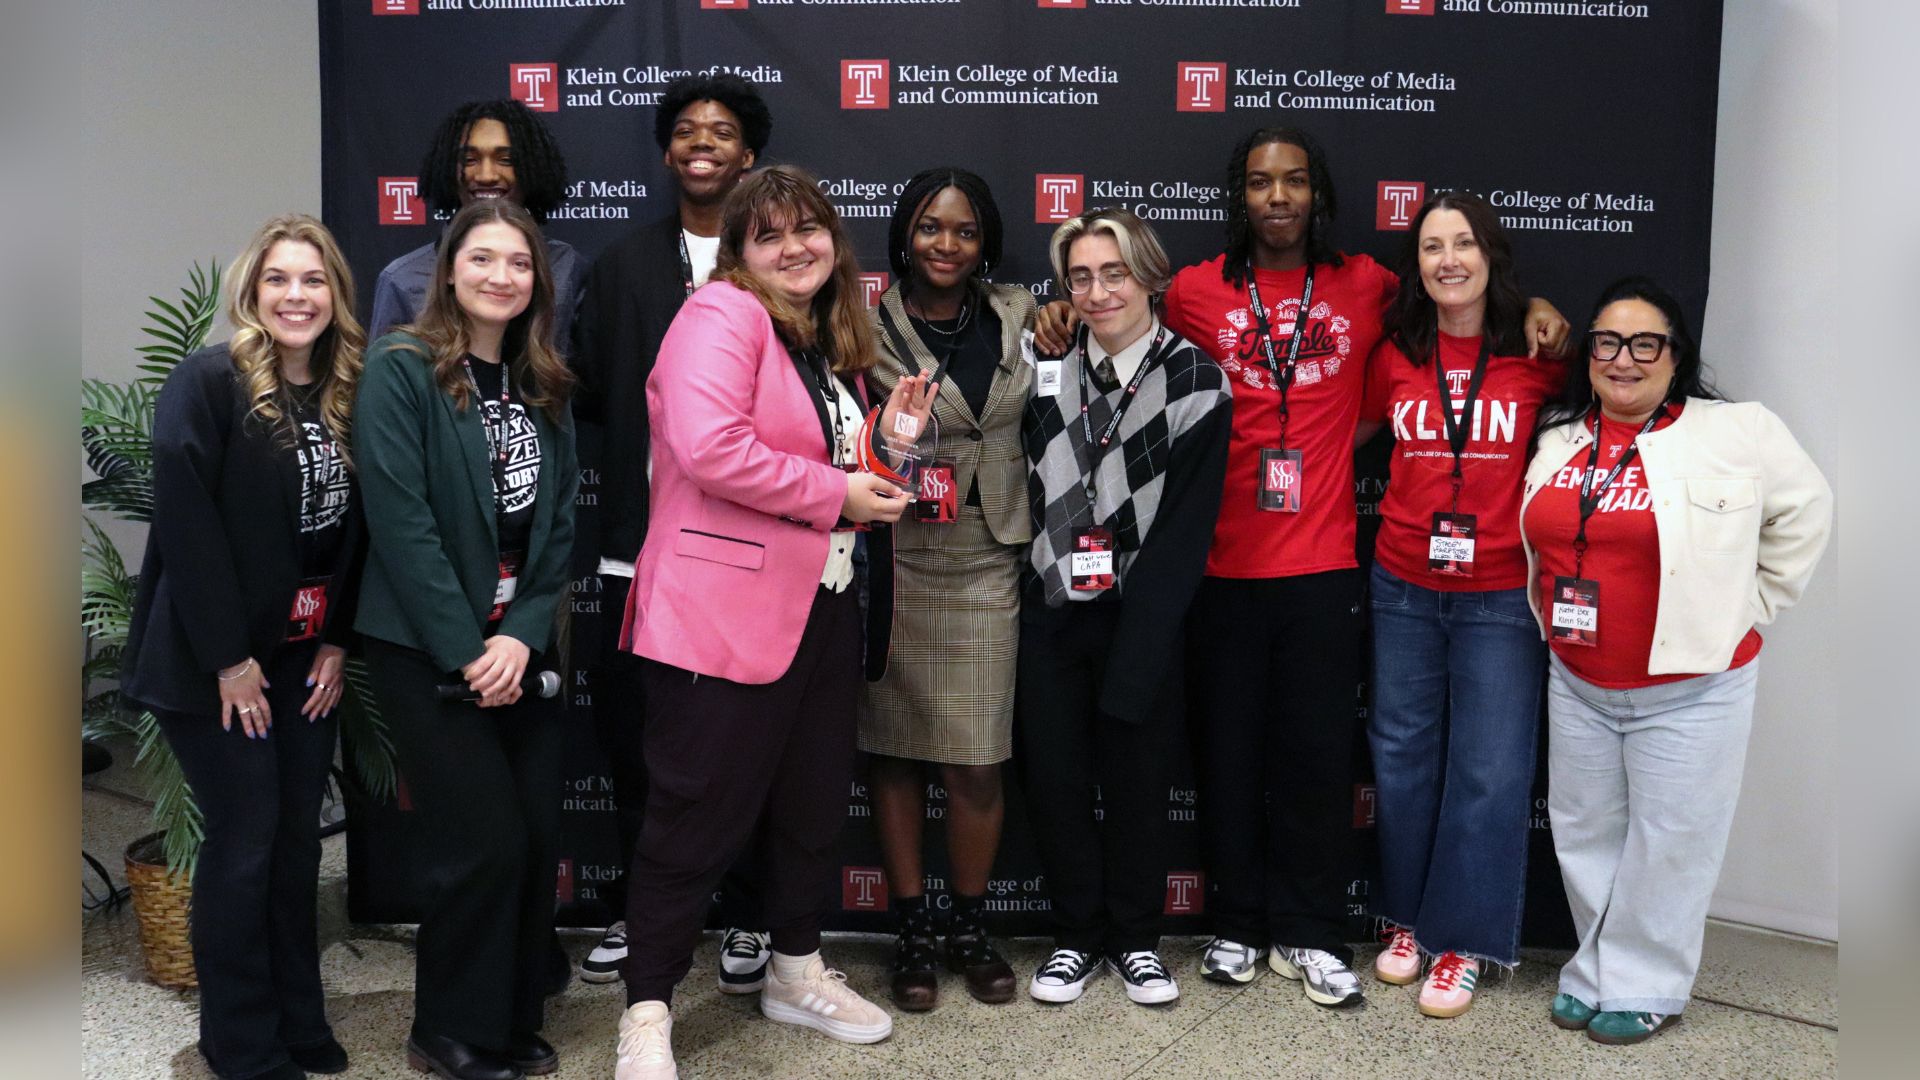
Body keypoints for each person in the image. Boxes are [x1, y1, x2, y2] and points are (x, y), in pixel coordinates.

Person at [1035, 127, 1565, 1006]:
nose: (1276, 197)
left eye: (1292, 181)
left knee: (1320, 762)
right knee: (1228, 760)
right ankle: (1239, 926)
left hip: (1323, 564)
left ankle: (1311, 932)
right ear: (1238, 198)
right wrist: (1057, 310)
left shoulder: (1371, 284)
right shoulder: (1197, 290)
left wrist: (1541, 307)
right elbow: (1111, 330)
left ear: (1317, 192)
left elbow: (1460, 300)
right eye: (1257, 182)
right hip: (1214, 570)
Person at [610, 166, 932, 1079]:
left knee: (809, 808)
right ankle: (646, 1008)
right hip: (717, 617)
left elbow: (817, 460)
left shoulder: (825, 338)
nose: (796, 248)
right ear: (740, 252)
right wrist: (844, 491)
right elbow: (712, 449)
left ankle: (794, 972)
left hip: (821, 608)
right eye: (769, 235)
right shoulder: (719, 317)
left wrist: (887, 443)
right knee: (690, 823)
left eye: (810, 230)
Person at [1520, 276, 1830, 1045]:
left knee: (1672, 845)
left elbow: (1808, 510)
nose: (1623, 360)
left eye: (1644, 343)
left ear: (1674, 354)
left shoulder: (1737, 431)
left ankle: (1648, 986)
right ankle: (1593, 975)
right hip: (1580, 679)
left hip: (1691, 691)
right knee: (1585, 835)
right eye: (1607, 342)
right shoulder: (1561, 435)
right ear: (1588, 351)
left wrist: (1748, 612)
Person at [120, 213, 366, 1080]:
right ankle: (241, 1043)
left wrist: (337, 638)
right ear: (251, 293)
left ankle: (299, 1022)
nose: (297, 296)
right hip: (213, 664)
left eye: (314, 280)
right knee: (248, 836)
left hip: (303, 660)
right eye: (279, 280)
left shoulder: (344, 388)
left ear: (336, 294)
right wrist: (230, 658)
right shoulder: (209, 381)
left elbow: (357, 530)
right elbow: (187, 531)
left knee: (299, 839)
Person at [354, 199, 579, 1080]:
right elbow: (400, 524)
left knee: (528, 836)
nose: (500, 276)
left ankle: (507, 1020)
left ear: (537, 280)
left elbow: (558, 525)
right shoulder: (402, 368)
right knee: (478, 843)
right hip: (425, 648)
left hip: (519, 647)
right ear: (448, 270)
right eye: (481, 258)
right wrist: (468, 650)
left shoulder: (542, 379)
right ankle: (444, 1031)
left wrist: (520, 638)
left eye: (518, 263)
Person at [571, 71, 775, 992]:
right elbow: (599, 401)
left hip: (751, 559)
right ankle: (637, 913)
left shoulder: (780, 267)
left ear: (749, 156)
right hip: (637, 552)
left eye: (723, 131)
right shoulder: (620, 268)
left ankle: (748, 915)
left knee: (739, 749)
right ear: (666, 153)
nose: (703, 143)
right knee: (634, 743)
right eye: (687, 130)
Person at [1351, 192, 1564, 1017]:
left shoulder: (1541, 352)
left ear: (1491, 254)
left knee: (1490, 767)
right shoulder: (1397, 353)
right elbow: (1355, 434)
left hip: (1503, 591)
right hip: (1403, 580)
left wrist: (1549, 314)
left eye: (1464, 243)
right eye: (1432, 246)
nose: (1448, 259)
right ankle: (1406, 920)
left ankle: (1465, 941)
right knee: (1401, 758)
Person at [1020, 209, 1232, 1008]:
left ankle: (1137, 941)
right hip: (1050, 609)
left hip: (1144, 614)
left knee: (1140, 779)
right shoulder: (1039, 361)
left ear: (1150, 274)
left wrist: (1144, 641)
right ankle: (1076, 937)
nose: (1098, 291)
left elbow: (1185, 534)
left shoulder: (1198, 379)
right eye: (1080, 277)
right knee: (1058, 780)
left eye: (1115, 273)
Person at [861, 166, 1033, 1012]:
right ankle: (913, 929)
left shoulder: (1023, 315)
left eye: (964, 231)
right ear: (905, 233)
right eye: (931, 227)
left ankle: (969, 926)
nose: (946, 244)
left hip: (988, 554)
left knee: (975, 763)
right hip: (897, 551)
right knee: (893, 753)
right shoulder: (861, 325)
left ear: (985, 242)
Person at [368, 99, 585, 344]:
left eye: (506, 160)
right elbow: (386, 375)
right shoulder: (402, 279)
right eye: (470, 160)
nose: (486, 175)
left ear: (534, 168)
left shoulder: (567, 267)